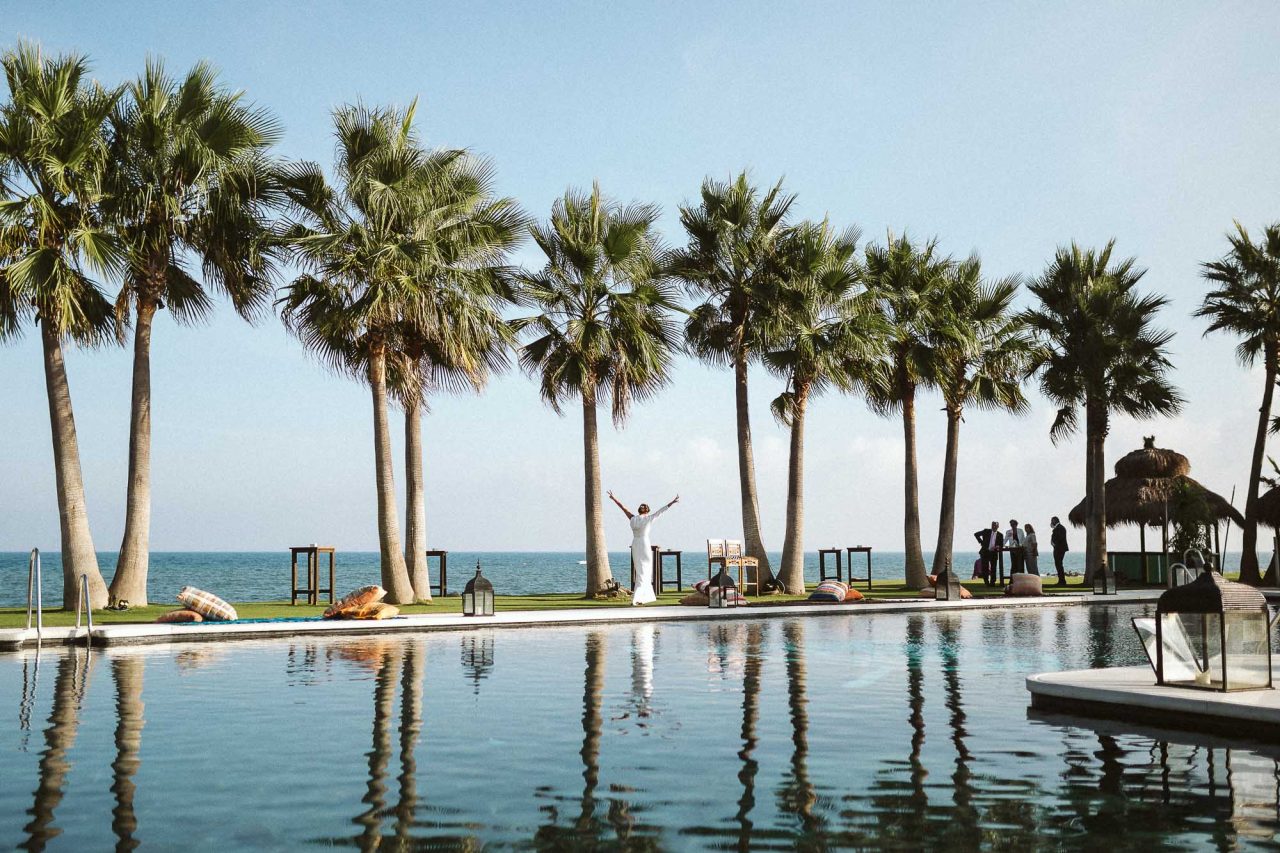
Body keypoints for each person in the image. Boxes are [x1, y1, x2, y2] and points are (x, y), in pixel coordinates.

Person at [608, 491, 679, 605]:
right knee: (644, 570)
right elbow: (661, 511)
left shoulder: (633, 518)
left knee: (641, 570)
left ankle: (642, 595)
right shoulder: (648, 518)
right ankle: (639, 596)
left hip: (636, 543)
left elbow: (623, 508)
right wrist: (672, 502)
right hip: (644, 543)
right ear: (647, 510)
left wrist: (614, 498)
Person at [1050, 516, 1069, 586]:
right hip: (1058, 548)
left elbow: (1060, 538)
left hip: (1059, 549)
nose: (1051, 522)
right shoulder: (1058, 528)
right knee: (1058, 564)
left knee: (1059, 564)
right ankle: (1061, 580)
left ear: (1055, 521)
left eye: (1052, 521)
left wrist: (1055, 544)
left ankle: (1062, 581)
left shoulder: (1060, 528)